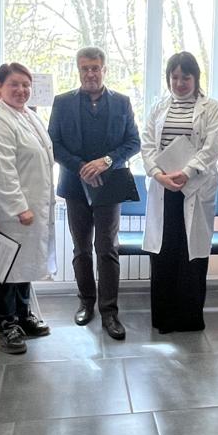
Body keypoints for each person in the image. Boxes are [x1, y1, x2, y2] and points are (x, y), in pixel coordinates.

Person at [48, 47, 141, 340]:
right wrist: (82, 167)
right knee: (81, 248)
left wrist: (107, 161)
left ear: (104, 69)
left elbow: (134, 142)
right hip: (75, 185)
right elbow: (54, 144)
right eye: (85, 68)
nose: (90, 73)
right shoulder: (62, 102)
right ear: (78, 70)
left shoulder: (122, 102)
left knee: (107, 248)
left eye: (95, 68)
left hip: (110, 185)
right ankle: (86, 302)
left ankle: (110, 311)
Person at [141, 52, 218, 332]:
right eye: (174, 77)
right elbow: (147, 144)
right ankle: (164, 319)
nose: (179, 83)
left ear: (196, 78)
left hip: (196, 188)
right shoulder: (158, 107)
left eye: (185, 77)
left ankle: (189, 319)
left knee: (191, 253)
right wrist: (158, 174)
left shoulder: (211, 108)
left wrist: (187, 172)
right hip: (164, 188)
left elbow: (212, 148)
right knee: (164, 251)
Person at [0, 61, 55, 355]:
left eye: (26, 85)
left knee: (25, 265)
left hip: (32, 207)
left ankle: (23, 316)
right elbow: (2, 170)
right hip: (11, 213)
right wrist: (18, 207)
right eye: (14, 84)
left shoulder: (28, 115)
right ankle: (4, 324)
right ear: (0, 86)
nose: (21, 90)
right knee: (5, 268)